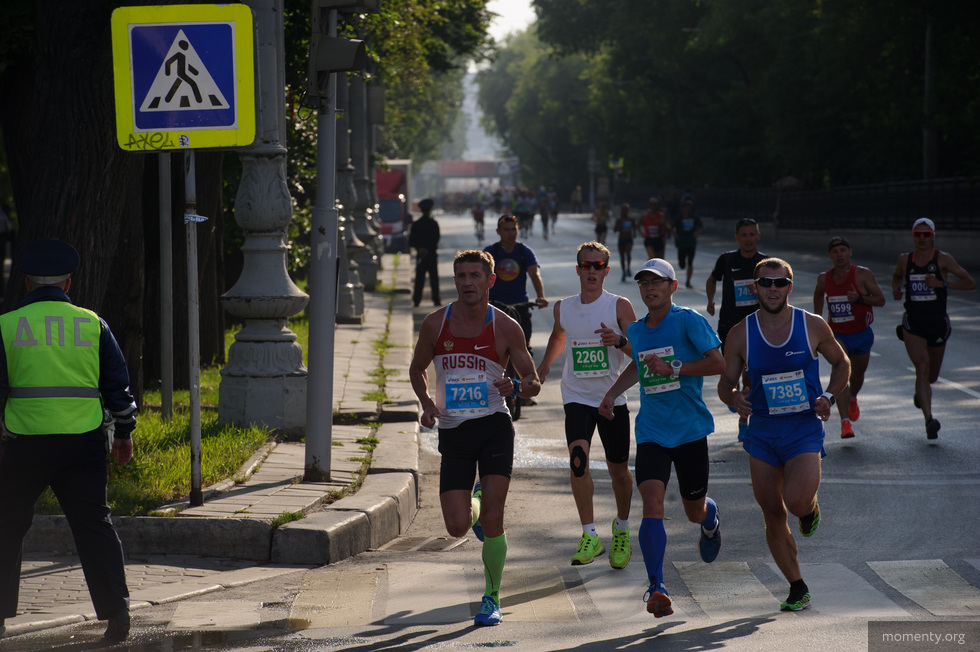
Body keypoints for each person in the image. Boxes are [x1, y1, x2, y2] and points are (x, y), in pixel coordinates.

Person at [0, 239, 138, 643]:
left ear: (26, 283)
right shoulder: (92, 324)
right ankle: (118, 614)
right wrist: (124, 433)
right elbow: (117, 385)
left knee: (6, 526)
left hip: (25, 443)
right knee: (94, 524)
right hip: (84, 443)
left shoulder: (6, 326)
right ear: (68, 283)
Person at [409, 249, 541, 627]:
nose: (468, 282)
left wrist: (514, 385)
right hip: (453, 433)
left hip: (493, 427)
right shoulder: (436, 324)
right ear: (455, 281)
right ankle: (476, 504)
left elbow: (533, 383)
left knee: (497, 519)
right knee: (456, 527)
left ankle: (491, 597)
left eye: (475, 276)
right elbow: (417, 369)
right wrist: (426, 404)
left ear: (490, 280)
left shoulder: (505, 327)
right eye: (461, 276)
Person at [718, 257, 850, 612]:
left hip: (803, 430)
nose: (772, 289)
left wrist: (828, 396)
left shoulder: (811, 325)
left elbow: (842, 362)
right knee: (772, 513)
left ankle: (809, 508)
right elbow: (725, 383)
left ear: (790, 286)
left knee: (794, 502)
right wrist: (734, 398)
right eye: (766, 283)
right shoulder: (740, 333)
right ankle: (797, 586)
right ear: (754, 287)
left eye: (780, 283)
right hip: (761, 433)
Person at [598, 258, 725, 619]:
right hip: (652, 431)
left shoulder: (688, 321)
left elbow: (718, 364)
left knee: (692, 511)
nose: (649, 289)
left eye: (657, 283)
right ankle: (657, 587)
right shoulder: (636, 331)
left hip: (689, 431)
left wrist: (676, 368)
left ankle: (710, 518)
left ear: (671, 287)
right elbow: (638, 367)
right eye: (644, 283)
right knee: (651, 505)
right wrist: (611, 393)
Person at [536, 242, 637, 568]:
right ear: (577, 269)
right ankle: (589, 534)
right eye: (586, 265)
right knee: (578, 461)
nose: (592, 270)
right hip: (576, 396)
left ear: (606, 270)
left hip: (611, 398)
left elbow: (642, 355)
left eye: (598, 265)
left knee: (619, 472)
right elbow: (559, 336)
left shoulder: (619, 306)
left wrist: (619, 341)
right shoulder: (563, 307)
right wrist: (544, 365)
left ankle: (621, 528)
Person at [891, 218, 975, 439]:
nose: (921, 238)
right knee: (922, 366)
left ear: (933, 236)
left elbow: (969, 282)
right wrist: (896, 289)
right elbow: (897, 276)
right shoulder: (904, 259)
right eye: (918, 234)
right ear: (913, 236)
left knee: (932, 376)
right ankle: (929, 420)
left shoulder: (943, 259)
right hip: (913, 322)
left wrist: (942, 284)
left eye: (926, 235)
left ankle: (922, 392)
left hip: (937, 323)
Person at [813, 236, 886, 439]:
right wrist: (818, 318)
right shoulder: (824, 278)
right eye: (835, 252)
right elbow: (818, 293)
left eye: (843, 250)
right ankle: (845, 423)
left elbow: (881, 300)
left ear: (849, 252)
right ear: (830, 255)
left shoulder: (862, 274)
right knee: (841, 372)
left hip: (861, 334)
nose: (839, 255)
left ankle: (853, 397)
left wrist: (860, 299)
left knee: (857, 375)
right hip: (837, 335)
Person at [705, 217, 766, 441]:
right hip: (729, 325)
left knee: (750, 372)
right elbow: (712, 279)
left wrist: (759, 290)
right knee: (731, 370)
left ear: (758, 236)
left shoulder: (765, 264)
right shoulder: (727, 259)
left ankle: (743, 421)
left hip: (756, 326)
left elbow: (777, 293)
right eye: (744, 235)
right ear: (737, 238)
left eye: (752, 234)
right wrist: (710, 300)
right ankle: (733, 393)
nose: (748, 239)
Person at [484, 215, 549, 353]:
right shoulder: (490, 252)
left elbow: (534, 274)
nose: (511, 233)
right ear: (498, 231)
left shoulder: (524, 251)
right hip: (495, 306)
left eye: (514, 229)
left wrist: (541, 296)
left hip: (520, 306)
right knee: (491, 349)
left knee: (525, 348)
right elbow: (480, 277)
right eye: (506, 230)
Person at [409, 198, 441, 307]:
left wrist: (420, 248)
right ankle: (436, 300)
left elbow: (411, 240)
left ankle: (417, 300)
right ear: (430, 210)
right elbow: (436, 238)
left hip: (420, 256)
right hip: (431, 254)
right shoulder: (433, 223)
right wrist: (428, 248)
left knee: (419, 279)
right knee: (434, 279)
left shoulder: (416, 224)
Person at [671, 196, 703, 289]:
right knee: (682, 264)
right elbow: (672, 228)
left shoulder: (694, 218)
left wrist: (698, 233)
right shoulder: (679, 218)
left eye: (689, 208)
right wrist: (675, 234)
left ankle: (688, 281)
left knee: (690, 262)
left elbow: (702, 228)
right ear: (683, 208)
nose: (687, 209)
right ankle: (683, 265)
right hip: (681, 243)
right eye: (685, 207)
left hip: (691, 242)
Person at [613, 203, 638, 282]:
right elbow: (614, 230)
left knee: (628, 253)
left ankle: (628, 268)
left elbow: (634, 227)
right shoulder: (619, 220)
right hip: (621, 239)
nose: (625, 211)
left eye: (626, 210)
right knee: (622, 257)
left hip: (629, 239)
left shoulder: (631, 219)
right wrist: (620, 227)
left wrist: (634, 233)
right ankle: (623, 272)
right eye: (623, 210)